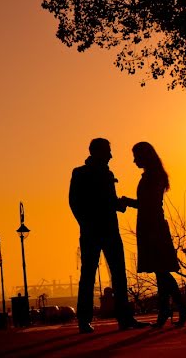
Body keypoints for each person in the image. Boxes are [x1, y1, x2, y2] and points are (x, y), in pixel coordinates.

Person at [69, 138, 148, 333]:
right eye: (108, 152)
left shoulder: (106, 173)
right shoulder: (80, 173)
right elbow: (75, 202)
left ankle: (124, 318)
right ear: (97, 152)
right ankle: (85, 319)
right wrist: (87, 223)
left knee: (117, 274)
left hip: (109, 230)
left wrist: (119, 205)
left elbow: (107, 202)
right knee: (89, 275)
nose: (111, 156)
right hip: (94, 231)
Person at [121, 141, 186, 328]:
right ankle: (170, 308)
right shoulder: (154, 175)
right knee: (160, 272)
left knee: (161, 270)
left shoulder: (153, 176)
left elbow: (149, 204)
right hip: (150, 225)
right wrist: (130, 202)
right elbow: (147, 203)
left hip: (153, 226)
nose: (134, 160)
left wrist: (128, 202)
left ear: (145, 156)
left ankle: (178, 306)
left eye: (136, 156)